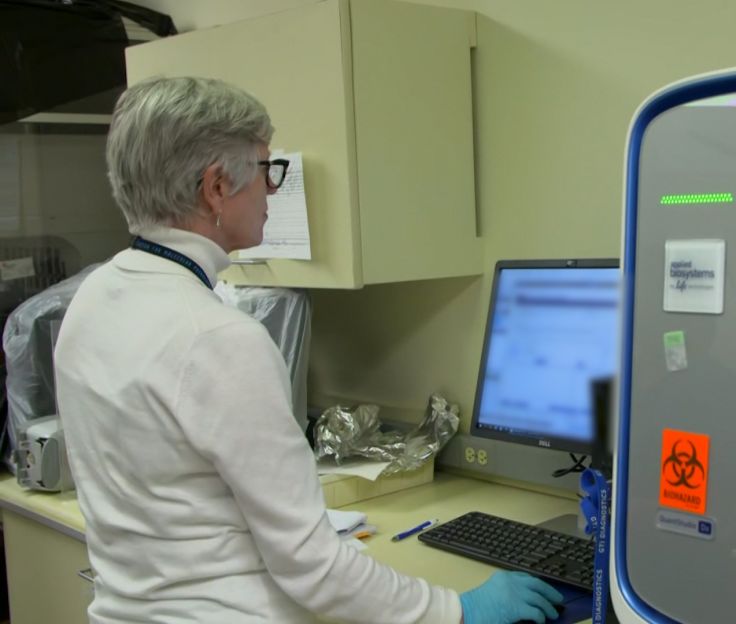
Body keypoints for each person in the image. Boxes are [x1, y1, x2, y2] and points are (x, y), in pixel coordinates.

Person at [53, 76, 563, 624]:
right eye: (265, 169)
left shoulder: (93, 300)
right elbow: (313, 567)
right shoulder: (218, 339)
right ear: (217, 187)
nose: (273, 190)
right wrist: (456, 608)